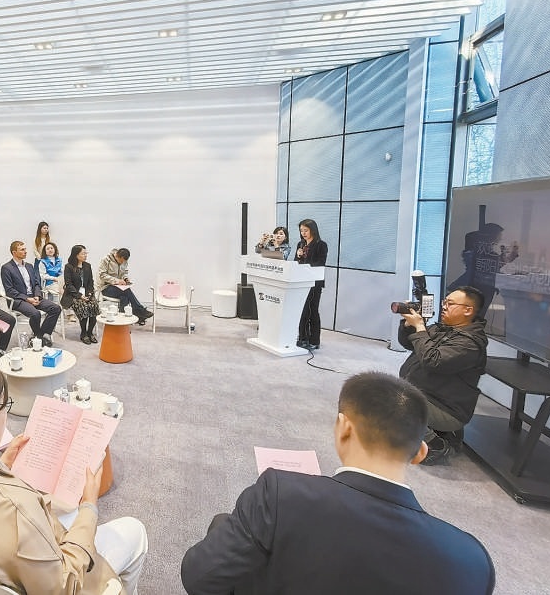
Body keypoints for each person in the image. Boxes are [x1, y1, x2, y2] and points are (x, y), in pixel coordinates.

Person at [180, 371, 495, 595]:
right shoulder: (472, 560)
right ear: (420, 453)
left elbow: (199, 578)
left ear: (344, 428)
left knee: (222, 525)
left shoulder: (280, 494)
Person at [0, 356, 148, 594]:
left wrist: (1, 466)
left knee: (65, 512)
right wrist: (89, 505)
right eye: (5, 406)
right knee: (134, 531)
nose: (5, 415)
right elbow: (64, 587)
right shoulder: (15, 508)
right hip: (58, 581)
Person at [398, 286, 488, 463]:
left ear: (468, 310)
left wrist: (420, 327)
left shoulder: (470, 343)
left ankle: (436, 445)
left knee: (390, 401)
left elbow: (432, 361)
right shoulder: (443, 328)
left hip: (445, 409)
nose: (444, 307)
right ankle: (435, 432)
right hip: (425, 396)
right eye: (444, 302)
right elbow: (409, 343)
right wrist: (408, 326)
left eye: (450, 303)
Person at [0, 241, 62, 346]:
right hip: (18, 300)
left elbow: (36, 283)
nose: (25, 251)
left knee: (56, 308)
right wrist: (27, 299)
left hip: (34, 297)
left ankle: (41, 335)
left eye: (25, 249)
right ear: (14, 252)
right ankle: (39, 337)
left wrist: (37, 296)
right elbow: (10, 290)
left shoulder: (29, 266)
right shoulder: (6, 268)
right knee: (35, 314)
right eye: (22, 250)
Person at [295, 219, 328, 350]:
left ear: (313, 230)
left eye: (306, 230)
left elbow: (320, 263)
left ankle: (314, 340)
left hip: (315, 283)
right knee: (303, 311)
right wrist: (298, 256)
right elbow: (296, 263)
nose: (303, 233)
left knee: (313, 310)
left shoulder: (321, 245)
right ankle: (302, 338)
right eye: (301, 231)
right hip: (301, 282)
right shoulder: (300, 244)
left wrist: (305, 260)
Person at [97, 248, 153, 324]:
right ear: (117, 256)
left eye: (124, 262)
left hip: (118, 288)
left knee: (125, 297)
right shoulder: (106, 260)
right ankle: (139, 310)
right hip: (106, 288)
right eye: (121, 261)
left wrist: (126, 279)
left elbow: (124, 273)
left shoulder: (124, 261)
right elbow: (102, 275)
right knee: (126, 290)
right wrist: (117, 281)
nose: (123, 263)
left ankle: (122, 321)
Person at [62, 245, 101, 344]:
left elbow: (90, 282)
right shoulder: (69, 267)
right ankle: (83, 333)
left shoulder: (87, 266)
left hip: (86, 293)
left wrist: (89, 293)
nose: (85, 255)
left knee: (94, 305)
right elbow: (68, 284)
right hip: (73, 294)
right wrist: (79, 296)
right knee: (83, 306)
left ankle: (90, 332)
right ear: (76, 255)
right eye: (83, 253)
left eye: (86, 253)